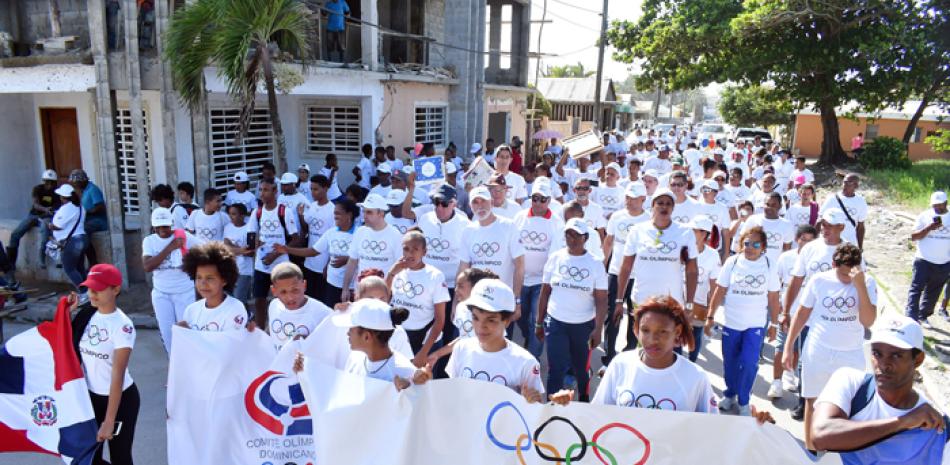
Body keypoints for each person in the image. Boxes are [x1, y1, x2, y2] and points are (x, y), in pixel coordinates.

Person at [811, 315, 947, 459]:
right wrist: (902, 422)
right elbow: (820, 435)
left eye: (896, 356)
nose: (883, 364)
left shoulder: (930, 421)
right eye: (877, 354)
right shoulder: (850, 382)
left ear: (918, 359)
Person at [783, 243, 877, 450]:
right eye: (842, 274)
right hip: (819, 349)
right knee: (812, 401)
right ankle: (811, 451)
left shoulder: (867, 283)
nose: (846, 279)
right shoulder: (819, 280)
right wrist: (788, 347)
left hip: (850, 354)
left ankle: (838, 452)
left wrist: (859, 286)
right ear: (833, 264)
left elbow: (868, 321)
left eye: (850, 274)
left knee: (848, 406)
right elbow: (801, 314)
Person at [704, 226, 781, 416]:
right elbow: (719, 290)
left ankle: (744, 400)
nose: (750, 247)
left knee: (748, 362)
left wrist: (774, 324)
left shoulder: (770, 264)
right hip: (732, 322)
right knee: (730, 363)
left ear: (763, 246)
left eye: (755, 244)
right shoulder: (732, 262)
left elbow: (773, 297)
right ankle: (730, 394)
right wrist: (710, 317)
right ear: (741, 244)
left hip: (755, 324)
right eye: (747, 243)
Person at [592, 296, 716, 412]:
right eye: (645, 330)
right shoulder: (620, 364)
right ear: (636, 330)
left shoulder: (696, 377)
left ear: (677, 331)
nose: (652, 339)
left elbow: (713, 428)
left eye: (662, 332)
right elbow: (597, 414)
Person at [438, 279, 548, 403]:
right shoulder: (461, 348)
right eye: (475, 317)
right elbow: (455, 393)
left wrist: (531, 400)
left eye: (491, 320)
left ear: (506, 321)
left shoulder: (526, 363)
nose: (481, 326)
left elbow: (535, 409)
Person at [71, 265, 139, 465]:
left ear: (115, 289)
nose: (92, 294)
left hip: (121, 401)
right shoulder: (86, 314)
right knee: (89, 458)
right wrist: (67, 312)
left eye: (98, 290)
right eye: (90, 289)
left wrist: (109, 422)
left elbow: (116, 376)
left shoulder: (123, 326)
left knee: (120, 457)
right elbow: (67, 345)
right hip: (91, 398)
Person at [615, 189, 700, 347]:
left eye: (668, 204)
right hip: (642, 301)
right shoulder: (637, 231)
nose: (664, 207)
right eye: (660, 203)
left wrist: (689, 305)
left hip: (672, 303)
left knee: (670, 348)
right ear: (652, 206)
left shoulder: (685, 232)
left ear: (673, 208)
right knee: (642, 348)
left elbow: (692, 270)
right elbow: (626, 267)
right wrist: (619, 300)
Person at [536, 218, 608, 401]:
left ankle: (583, 400)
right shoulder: (555, 258)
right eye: (569, 234)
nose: (572, 238)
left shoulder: (595, 263)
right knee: (556, 368)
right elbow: (545, 292)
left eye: (577, 235)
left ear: (585, 238)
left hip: (582, 325)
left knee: (580, 369)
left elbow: (601, 300)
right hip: (556, 322)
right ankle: (551, 406)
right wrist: (538, 322)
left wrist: (598, 329)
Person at [402, 183, 471, 351]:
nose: (439, 207)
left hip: (450, 287)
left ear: (454, 203)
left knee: (448, 330)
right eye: (436, 203)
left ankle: (443, 371)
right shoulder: (425, 219)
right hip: (427, 283)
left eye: (444, 203)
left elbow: (467, 260)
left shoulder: (465, 224)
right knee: (425, 327)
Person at [512, 181, 565, 359]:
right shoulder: (519, 217)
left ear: (549, 200)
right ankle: (528, 338)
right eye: (535, 198)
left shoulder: (556, 222)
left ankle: (532, 360)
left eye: (543, 199)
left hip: (540, 282)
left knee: (537, 320)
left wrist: (549, 282)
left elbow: (556, 254)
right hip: (519, 279)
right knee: (520, 316)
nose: (538, 203)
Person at [458, 186, 526, 324]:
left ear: (492, 203)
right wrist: (456, 301)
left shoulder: (509, 226)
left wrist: (516, 299)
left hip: (502, 300)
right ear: (470, 206)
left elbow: (520, 266)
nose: (480, 206)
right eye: (475, 202)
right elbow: (463, 267)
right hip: (476, 298)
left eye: (483, 201)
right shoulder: (468, 230)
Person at [602, 181, 650, 364]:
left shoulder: (648, 220)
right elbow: (608, 242)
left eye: (633, 198)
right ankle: (609, 355)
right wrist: (602, 266)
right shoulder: (617, 216)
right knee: (612, 314)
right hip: (615, 272)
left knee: (635, 315)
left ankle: (630, 350)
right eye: (627, 198)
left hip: (639, 276)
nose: (629, 201)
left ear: (643, 199)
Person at [279, 199, 359, 308]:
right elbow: (313, 251)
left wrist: (347, 259)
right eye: (334, 213)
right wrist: (288, 249)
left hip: (351, 287)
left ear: (349, 215)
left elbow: (364, 257)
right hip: (331, 284)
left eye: (338, 213)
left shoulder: (360, 233)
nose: (334, 216)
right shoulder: (331, 233)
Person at [386, 231, 449, 367]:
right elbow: (382, 300)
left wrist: (423, 353)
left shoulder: (435, 276)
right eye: (406, 249)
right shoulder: (396, 271)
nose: (410, 254)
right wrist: (391, 273)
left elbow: (440, 320)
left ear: (424, 252)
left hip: (425, 341)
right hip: (399, 339)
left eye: (415, 249)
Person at [770, 224, 818, 405]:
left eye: (810, 241)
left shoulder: (817, 259)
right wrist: (782, 311)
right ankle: (776, 382)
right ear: (797, 239)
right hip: (788, 312)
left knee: (800, 349)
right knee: (781, 346)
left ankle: (790, 374)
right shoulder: (786, 258)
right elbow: (778, 283)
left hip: (810, 315)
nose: (805, 244)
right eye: (803, 239)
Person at [143, 207, 201, 353]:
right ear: (153, 226)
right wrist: (170, 247)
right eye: (159, 226)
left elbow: (206, 247)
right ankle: (174, 366)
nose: (163, 229)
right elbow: (148, 266)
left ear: (171, 224)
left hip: (184, 292)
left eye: (166, 226)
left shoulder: (183, 237)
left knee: (187, 332)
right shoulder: (149, 241)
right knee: (167, 334)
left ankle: (190, 366)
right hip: (161, 294)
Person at [248, 178, 300, 328]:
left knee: (285, 296)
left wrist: (275, 254)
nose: (262, 194)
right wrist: (255, 245)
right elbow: (252, 237)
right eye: (260, 190)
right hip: (262, 264)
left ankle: (287, 326)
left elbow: (295, 239)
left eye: (266, 190)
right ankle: (260, 330)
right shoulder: (257, 212)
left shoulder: (284, 211)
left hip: (281, 264)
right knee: (259, 299)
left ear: (275, 191)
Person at [341, 193, 403, 301]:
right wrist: (345, 288)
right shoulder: (360, 231)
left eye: (369, 212)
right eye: (364, 211)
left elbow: (400, 268)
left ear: (381, 213)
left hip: (383, 296)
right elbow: (352, 262)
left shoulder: (395, 235)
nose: (365, 215)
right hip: (361, 293)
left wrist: (391, 294)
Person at [179, 241, 249, 332]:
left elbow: (227, 344)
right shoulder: (191, 310)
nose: (203, 283)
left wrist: (191, 336)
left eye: (210, 278)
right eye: (199, 277)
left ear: (224, 280)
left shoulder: (235, 309)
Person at [906, 191, 949, 328]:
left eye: (940, 205)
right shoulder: (924, 216)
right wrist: (929, 227)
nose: (937, 208)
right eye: (934, 205)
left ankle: (923, 316)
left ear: (946, 203)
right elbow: (913, 237)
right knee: (916, 289)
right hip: (923, 259)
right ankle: (911, 318)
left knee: (934, 291)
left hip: (944, 262)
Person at [267, 262, 332, 351]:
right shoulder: (274, 305)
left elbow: (335, 346)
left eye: (295, 290)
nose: (290, 297)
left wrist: (309, 341)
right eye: (283, 292)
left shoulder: (323, 313)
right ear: (273, 291)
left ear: (304, 285)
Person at [7, 169, 59, 276]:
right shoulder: (37, 189)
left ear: (55, 182)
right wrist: (45, 209)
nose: (49, 184)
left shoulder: (57, 192)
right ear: (43, 181)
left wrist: (50, 211)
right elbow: (35, 204)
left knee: (45, 233)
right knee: (16, 233)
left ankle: (42, 258)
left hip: (47, 218)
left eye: (51, 182)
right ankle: (10, 264)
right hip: (34, 215)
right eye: (46, 181)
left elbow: (57, 208)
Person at [686, 215, 721, 363]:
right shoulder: (681, 249)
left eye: (696, 230)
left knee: (694, 339)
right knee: (673, 338)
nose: (692, 233)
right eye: (691, 229)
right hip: (677, 301)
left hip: (698, 305)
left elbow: (714, 286)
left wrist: (711, 311)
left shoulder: (712, 255)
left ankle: (691, 365)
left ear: (705, 234)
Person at [295, 175, 335, 299]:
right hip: (309, 263)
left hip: (323, 266)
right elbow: (306, 228)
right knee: (309, 298)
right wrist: (301, 215)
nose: (313, 192)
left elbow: (334, 240)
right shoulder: (312, 206)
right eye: (311, 189)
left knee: (321, 299)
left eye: (316, 189)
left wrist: (328, 264)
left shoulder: (333, 210)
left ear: (326, 188)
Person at [48, 184, 88, 291]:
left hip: (73, 242)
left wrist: (50, 225)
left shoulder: (67, 208)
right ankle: (89, 292)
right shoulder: (80, 207)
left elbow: (57, 226)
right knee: (80, 268)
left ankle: (84, 293)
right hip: (82, 239)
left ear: (63, 197)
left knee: (70, 269)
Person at [737, 192, 793, 263]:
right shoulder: (753, 219)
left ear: (780, 206)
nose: (769, 207)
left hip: (774, 268)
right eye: (767, 204)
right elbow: (742, 241)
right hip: (751, 264)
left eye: (773, 205)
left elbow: (786, 250)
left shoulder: (787, 224)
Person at [69, 169, 107, 266]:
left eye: (76, 183)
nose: (75, 186)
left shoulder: (92, 189)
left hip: (98, 220)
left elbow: (100, 207)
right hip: (85, 220)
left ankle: (92, 260)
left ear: (82, 181)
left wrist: (86, 213)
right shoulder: (80, 191)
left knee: (82, 231)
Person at [819, 173, 867, 249]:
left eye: (849, 183)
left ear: (856, 186)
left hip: (850, 242)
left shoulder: (861, 201)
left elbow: (860, 226)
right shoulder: (832, 199)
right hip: (832, 241)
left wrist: (860, 247)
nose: (845, 185)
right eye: (844, 182)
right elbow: (820, 219)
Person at [222, 203, 254, 303]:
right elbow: (225, 247)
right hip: (231, 269)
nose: (231, 217)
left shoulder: (249, 229)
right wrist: (240, 250)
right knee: (230, 298)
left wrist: (232, 247)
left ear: (242, 215)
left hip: (244, 270)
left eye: (234, 214)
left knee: (239, 299)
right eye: (230, 214)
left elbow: (250, 252)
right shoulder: (228, 227)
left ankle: (246, 316)